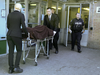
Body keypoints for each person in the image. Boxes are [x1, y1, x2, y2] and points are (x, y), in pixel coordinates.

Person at [7, 3, 28, 73]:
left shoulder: (9, 14)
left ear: (15, 7)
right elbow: (23, 26)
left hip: (9, 34)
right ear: (20, 8)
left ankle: (10, 69)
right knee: (19, 50)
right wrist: (26, 33)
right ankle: (16, 67)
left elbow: (8, 26)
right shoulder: (21, 15)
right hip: (17, 35)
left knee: (11, 52)